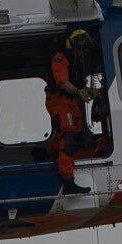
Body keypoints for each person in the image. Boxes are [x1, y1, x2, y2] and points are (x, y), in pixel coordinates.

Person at [45, 28, 97, 194]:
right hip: (59, 102)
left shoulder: (75, 61)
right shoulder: (60, 59)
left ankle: (46, 153)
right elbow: (63, 83)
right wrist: (79, 92)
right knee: (67, 142)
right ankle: (68, 183)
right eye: (82, 49)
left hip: (70, 102)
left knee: (78, 136)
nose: (83, 53)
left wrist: (92, 92)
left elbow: (77, 85)